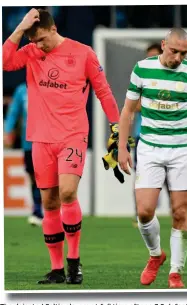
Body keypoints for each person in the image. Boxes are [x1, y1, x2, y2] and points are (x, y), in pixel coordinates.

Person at [3, 8, 121, 284]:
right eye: (34, 41)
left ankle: (74, 263)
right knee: (49, 203)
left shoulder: (83, 53)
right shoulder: (32, 51)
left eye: (42, 39)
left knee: (68, 193)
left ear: (54, 30)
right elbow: (5, 62)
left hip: (72, 135)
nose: (39, 46)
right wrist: (20, 29)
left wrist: (117, 127)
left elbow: (103, 91)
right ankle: (56, 269)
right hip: (41, 138)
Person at [117, 28, 187, 289]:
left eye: (184, 53)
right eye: (174, 51)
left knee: (180, 212)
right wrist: (122, 147)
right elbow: (128, 110)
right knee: (144, 211)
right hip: (150, 148)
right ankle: (155, 255)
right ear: (163, 45)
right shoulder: (142, 69)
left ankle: (175, 272)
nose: (178, 57)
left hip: (183, 149)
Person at [132, 43, 163, 228]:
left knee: (170, 181)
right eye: (148, 56)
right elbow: (133, 106)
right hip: (142, 135)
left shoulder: (170, 78)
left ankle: (181, 212)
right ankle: (141, 213)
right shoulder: (141, 77)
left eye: (153, 56)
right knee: (141, 177)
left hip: (167, 137)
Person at [4, 82, 43, 226]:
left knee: (46, 176)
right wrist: (8, 130)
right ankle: (38, 209)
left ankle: (44, 210)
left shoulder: (52, 86)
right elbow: (14, 112)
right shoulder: (21, 90)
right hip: (29, 142)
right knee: (33, 176)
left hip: (49, 140)